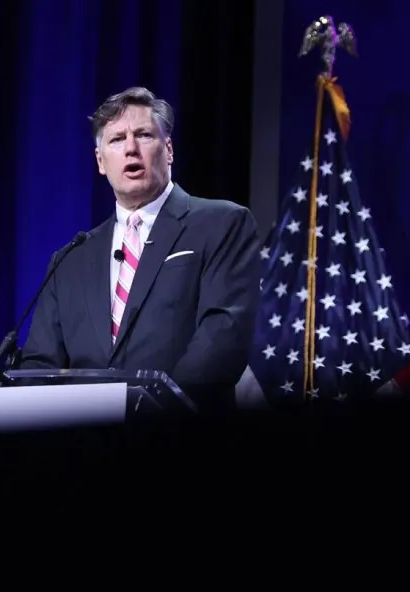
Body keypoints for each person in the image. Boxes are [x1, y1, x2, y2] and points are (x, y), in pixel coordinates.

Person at [18, 86, 260, 413]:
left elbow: (223, 335)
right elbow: (40, 365)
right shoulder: (70, 259)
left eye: (143, 135)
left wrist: (155, 411)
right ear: (101, 161)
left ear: (169, 150)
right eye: (117, 140)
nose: (131, 148)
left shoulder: (221, 224)